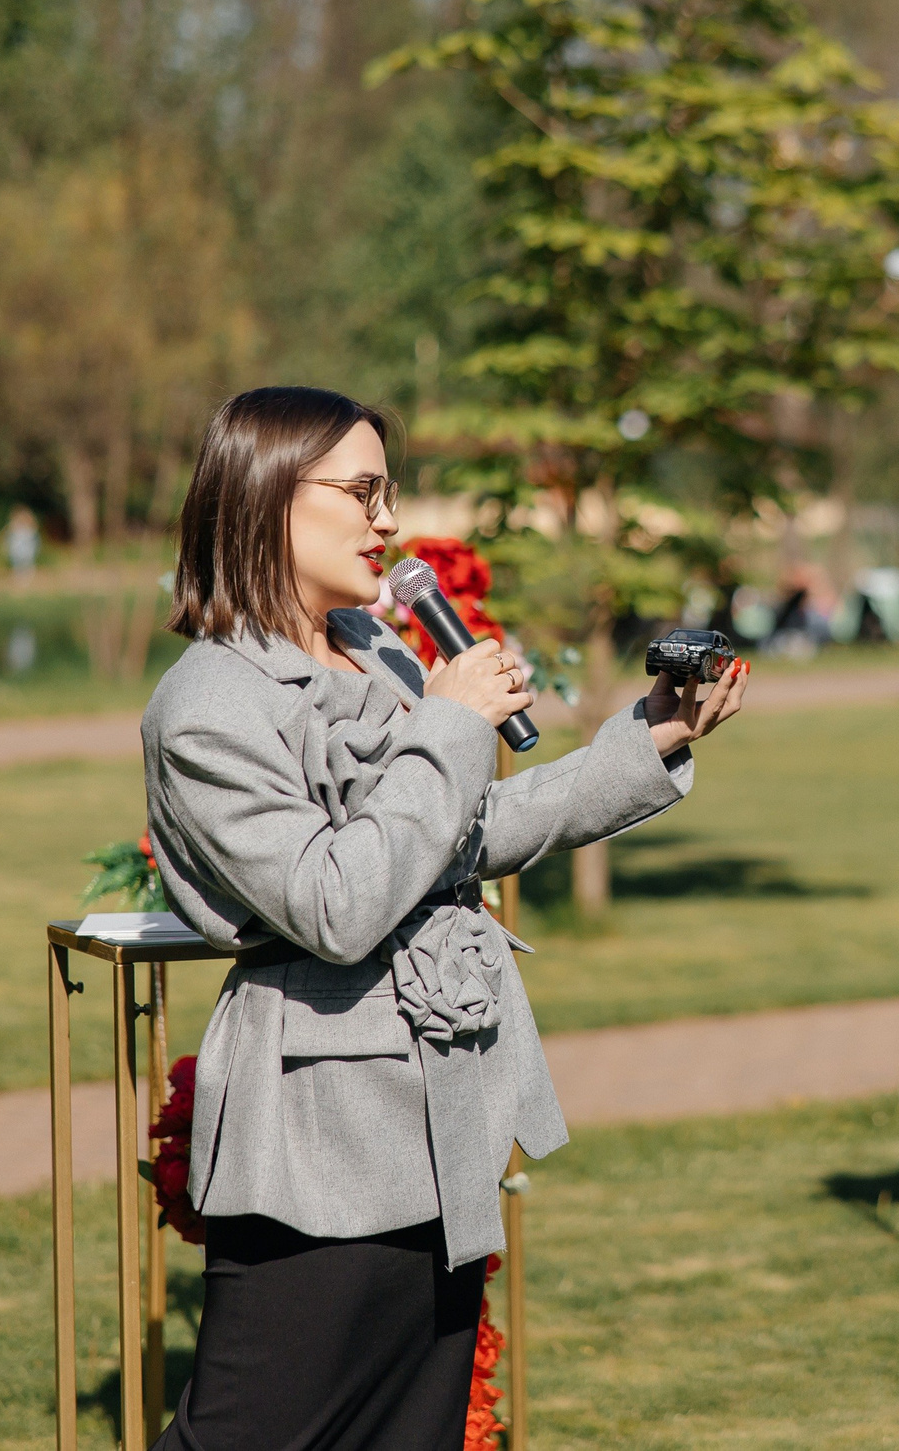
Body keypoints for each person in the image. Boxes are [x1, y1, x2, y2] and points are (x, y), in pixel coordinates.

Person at [142, 386, 750, 1451]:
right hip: (316, 1138)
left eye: (389, 492)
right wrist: (451, 722)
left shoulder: (378, 653)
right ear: (269, 496)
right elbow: (337, 902)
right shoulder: (207, 706)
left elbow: (457, 836)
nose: (389, 520)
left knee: (412, 1431)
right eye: (362, 491)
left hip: (443, 1104)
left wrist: (647, 740)